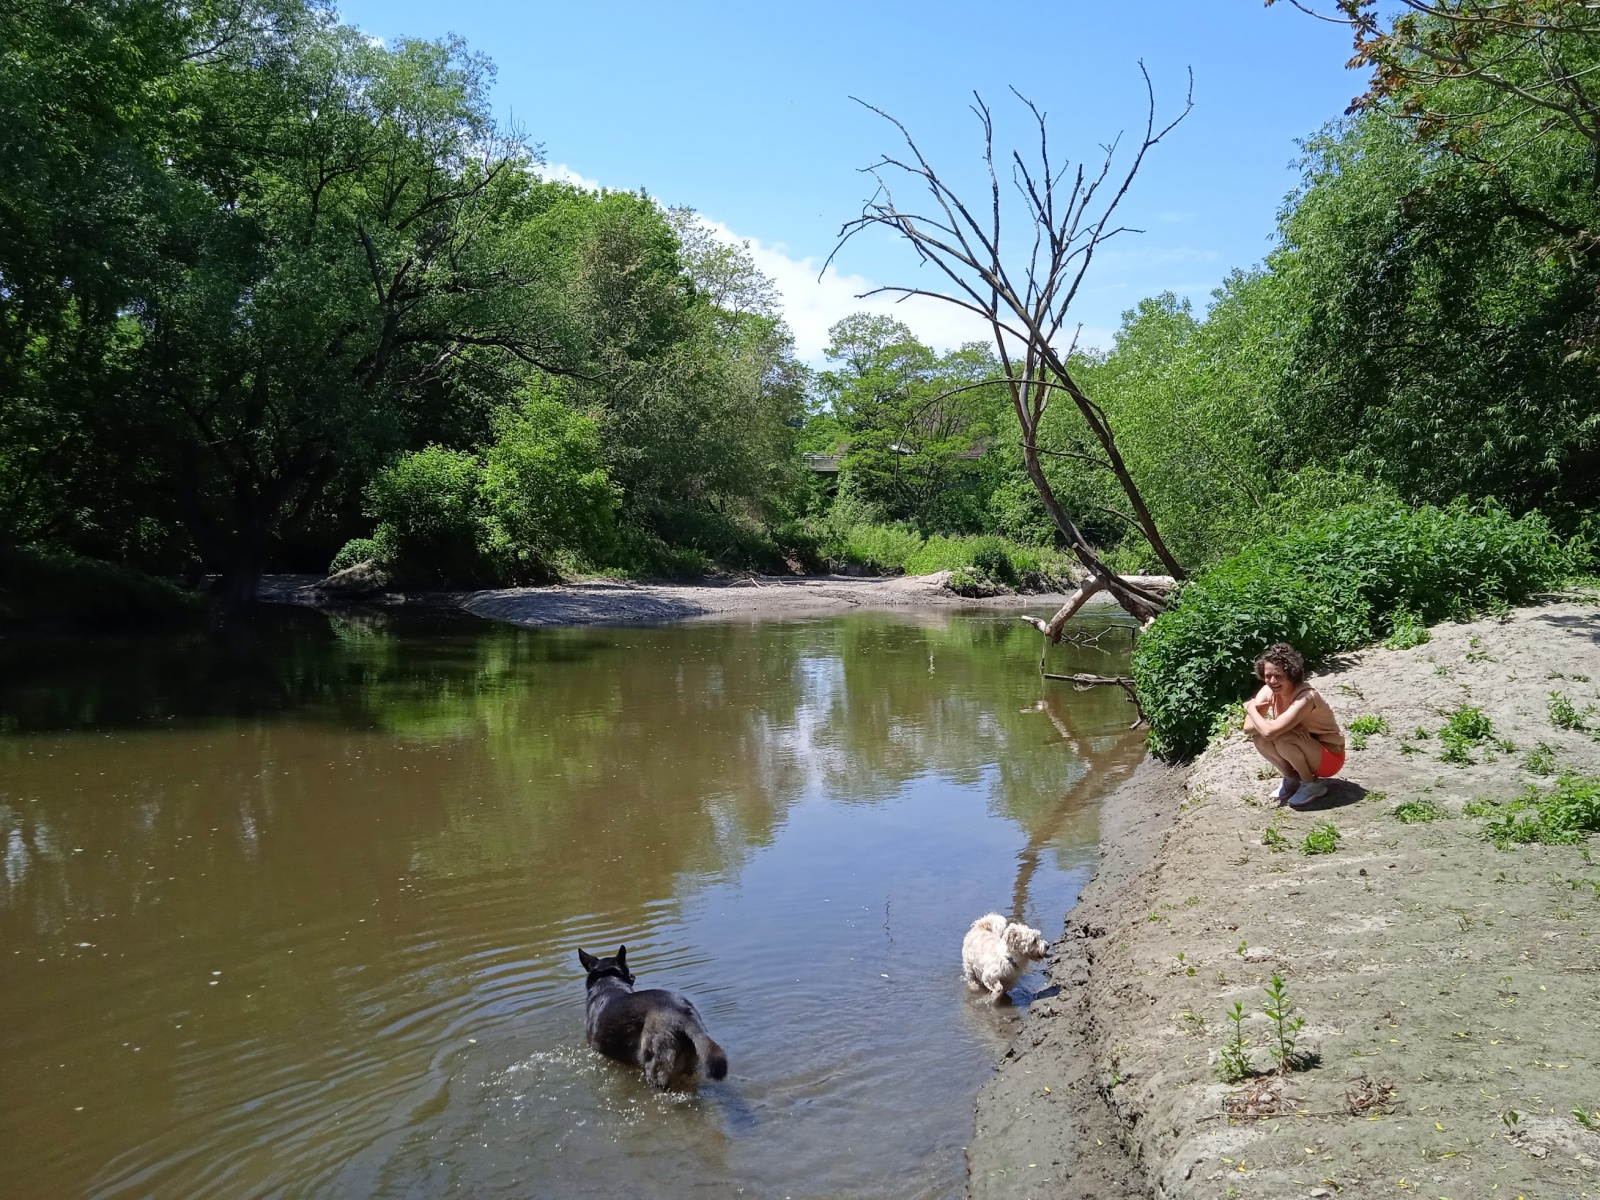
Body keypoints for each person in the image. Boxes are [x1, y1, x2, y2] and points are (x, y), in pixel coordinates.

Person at [1242, 642, 1345, 808]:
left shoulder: (1306, 696)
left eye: (1278, 676)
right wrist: (1283, 724)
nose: (1272, 681)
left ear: (1291, 675)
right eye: (1268, 676)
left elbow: (1269, 731)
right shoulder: (1269, 690)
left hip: (1330, 757)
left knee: (1282, 737)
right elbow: (1248, 728)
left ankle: (1311, 784)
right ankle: (1292, 779)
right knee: (1259, 739)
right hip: (1308, 747)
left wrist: (1251, 708)